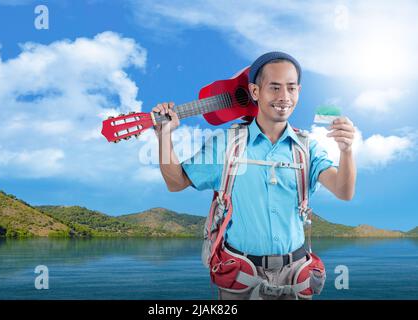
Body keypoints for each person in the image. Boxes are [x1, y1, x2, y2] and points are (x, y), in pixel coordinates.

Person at [152, 52, 356, 300]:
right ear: (255, 92)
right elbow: (176, 183)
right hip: (239, 277)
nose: (284, 97)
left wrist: (346, 151)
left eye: (291, 88)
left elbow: (344, 191)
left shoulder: (307, 149)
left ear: (299, 91)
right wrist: (164, 135)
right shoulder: (225, 145)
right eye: (274, 87)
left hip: (296, 276)